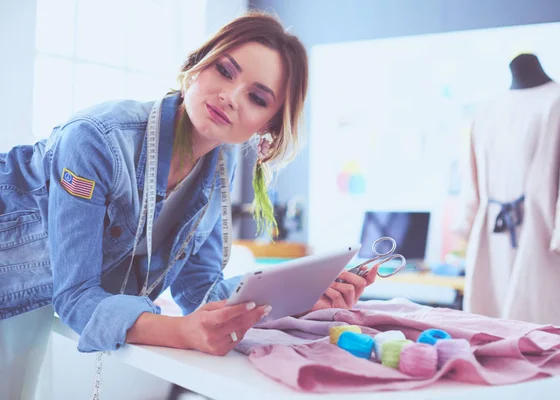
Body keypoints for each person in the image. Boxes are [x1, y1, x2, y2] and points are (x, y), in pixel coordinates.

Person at [0, 11, 379, 399]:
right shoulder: (96, 141)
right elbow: (77, 296)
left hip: (34, 300)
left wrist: (299, 300)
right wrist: (183, 332)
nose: (230, 97)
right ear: (198, 65)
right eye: (225, 71)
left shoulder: (220, 167)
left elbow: (202, 293)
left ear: (267, 125)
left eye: (256, 97)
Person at [455, 53, 560, 339]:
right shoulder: (486, 110)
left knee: (536, 335)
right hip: (491, 238)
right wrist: (469, 225)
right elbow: (472, 179)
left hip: (541, 239)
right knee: (485, 330)